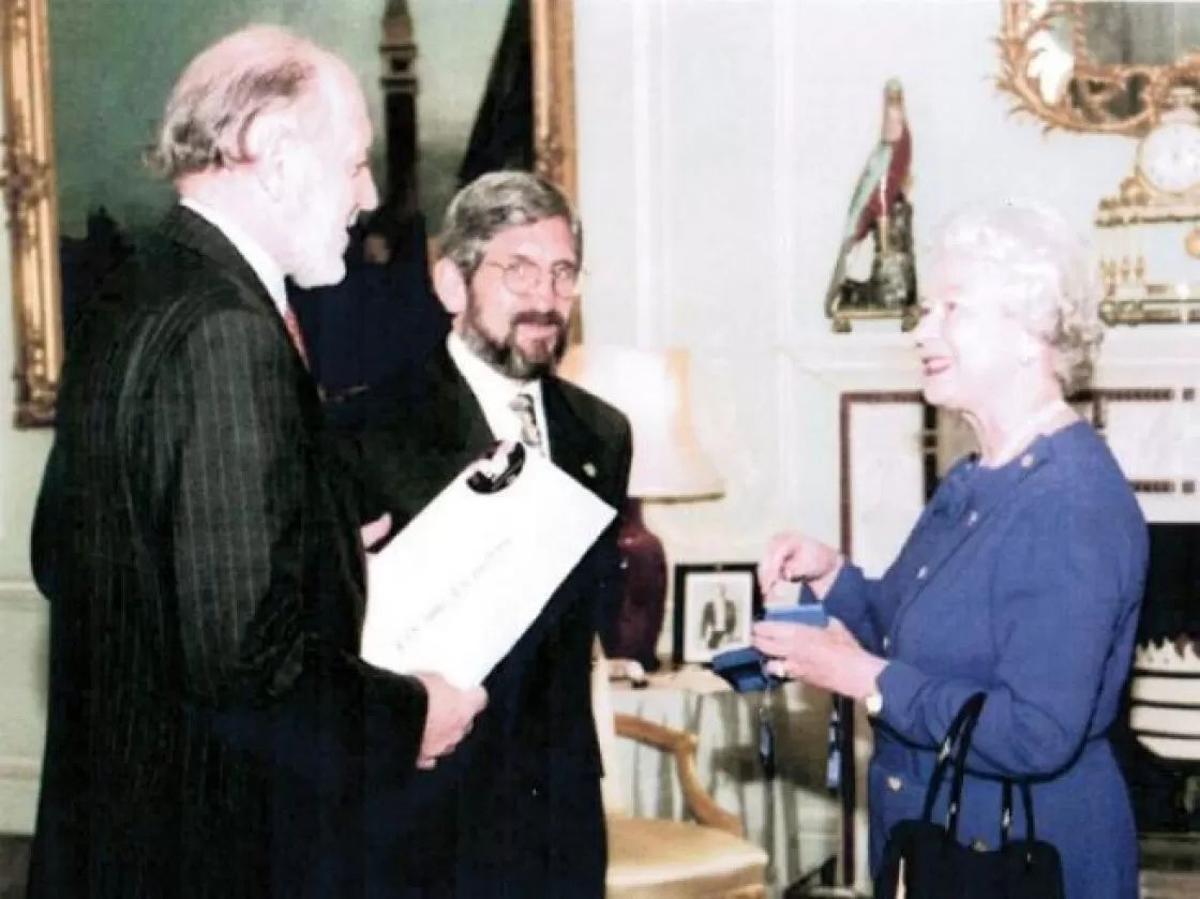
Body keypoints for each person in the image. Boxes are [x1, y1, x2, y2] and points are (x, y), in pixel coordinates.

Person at [27, 26, 485, 899]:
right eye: (353, 163)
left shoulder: (136, 288)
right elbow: (244, 665)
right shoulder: (230, 331)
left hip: (118, 836)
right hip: (210, 847)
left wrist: (308, 537)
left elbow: (66, 550)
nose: (369, 193)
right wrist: (412, 716)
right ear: (275, 154)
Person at [755, 201, 1147, 899]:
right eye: (926, 309)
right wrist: (834, 573)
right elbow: (906, 629)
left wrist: (866, 678)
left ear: (1032, 333)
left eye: (950, 308)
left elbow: (1035, 731)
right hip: (940, 847)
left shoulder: (1070, 501)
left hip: (1025, 861)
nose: (920, 329)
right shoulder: (975, 476)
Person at [343, 170, 632, 896]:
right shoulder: (363, 429)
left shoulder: (603, 434)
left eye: (563, 272)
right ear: (450, 282)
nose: (546, 297)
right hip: (422, 815)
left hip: (560, 813)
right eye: (520, 269)